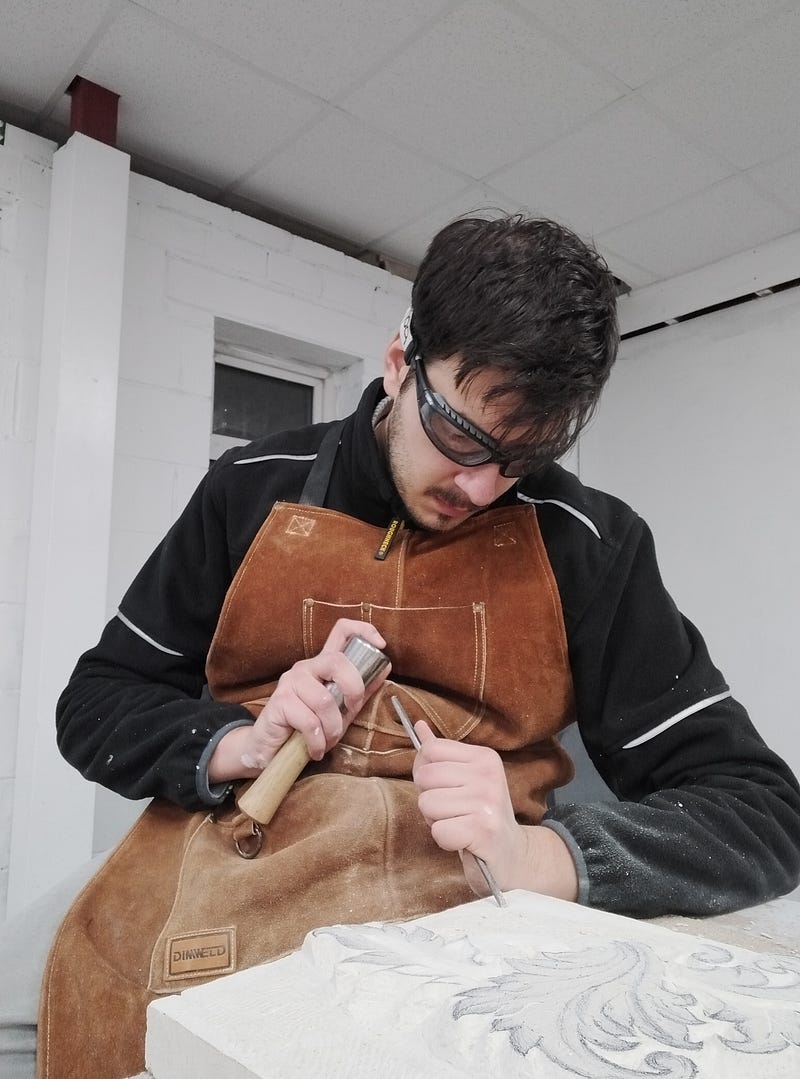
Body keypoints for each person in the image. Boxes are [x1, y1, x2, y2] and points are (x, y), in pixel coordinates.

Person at [4, 215, 800, 1078]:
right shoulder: (248, 487)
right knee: (47, 991)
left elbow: (763, 811)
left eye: (524, 459)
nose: (480, 486)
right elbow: (94, 702)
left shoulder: (590, 542)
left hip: (455, 903)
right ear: (398, 362)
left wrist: (544, 855)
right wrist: (236, 740)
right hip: (223, 856)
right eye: (463, 437)